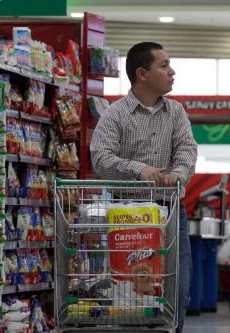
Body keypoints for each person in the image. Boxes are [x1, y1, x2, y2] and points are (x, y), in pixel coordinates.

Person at [90, 42, 197, 333]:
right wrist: (139, 170)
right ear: (142, 73)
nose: (172, 71)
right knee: (129, 291)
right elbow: (100, 156)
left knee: (178, 288)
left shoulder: (176, 112)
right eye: (163, 65)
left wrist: (178, 173)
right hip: (127, 216)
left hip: (170, 213)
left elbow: (187, 150)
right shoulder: (116, 115)